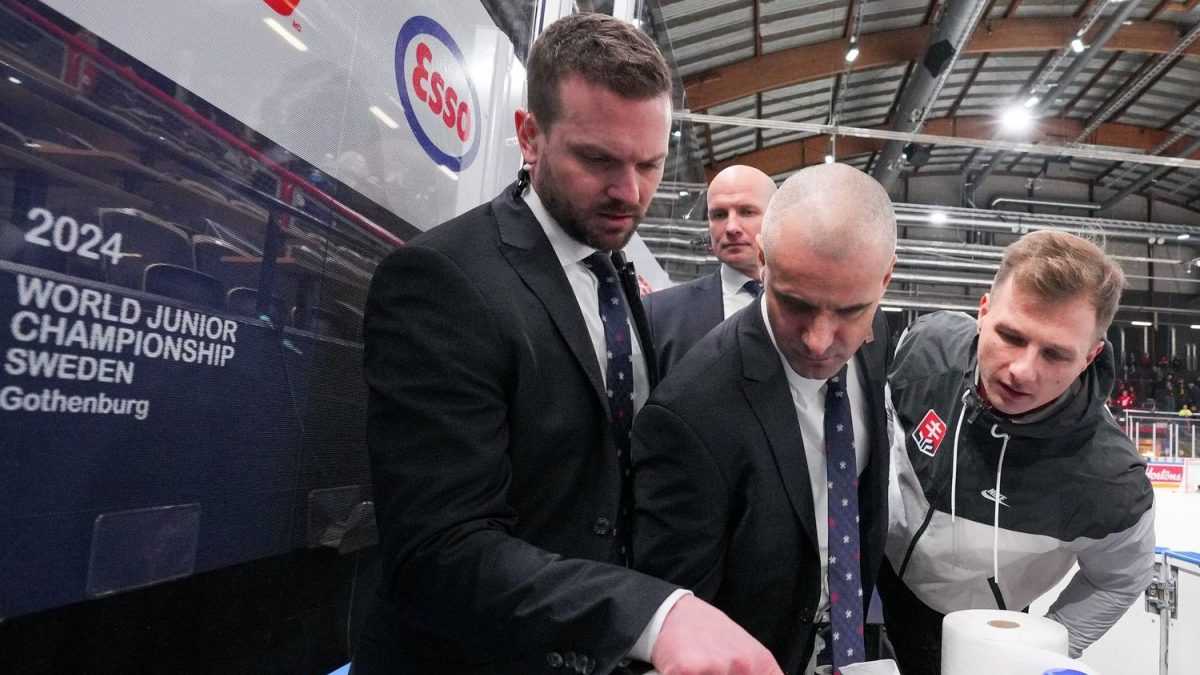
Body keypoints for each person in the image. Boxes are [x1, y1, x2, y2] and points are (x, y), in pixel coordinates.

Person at [357, 13, 780, 675]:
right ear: (530, 137)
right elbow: (440, 549)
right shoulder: (442, 281)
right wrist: (650, 614)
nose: (629, 192)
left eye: (649, 164)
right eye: (598, 160)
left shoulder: (614, 275)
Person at [632, 163, 897, 674]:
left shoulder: (875, 333)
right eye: (795, 304)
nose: (819, 341)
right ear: (764, 263)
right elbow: (679, 615)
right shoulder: (691, 414)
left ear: (884, 279)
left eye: (848, 311)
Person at [880, 230, 1156, 673]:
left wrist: (1036, 652)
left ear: (1089, 357)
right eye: (1010, 336)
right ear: (983, 312)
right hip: (875, 583)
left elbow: (1120, 579)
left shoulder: (1111, 479)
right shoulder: (924, 350)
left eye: (1055, 355)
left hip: (984, 628)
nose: (1022, 371)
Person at [644, 165, 777, 377]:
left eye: (746, 212)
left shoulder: (816, 304)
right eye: (719, 214)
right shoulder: (659, 313)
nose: (731, 227)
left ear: (776, 218)